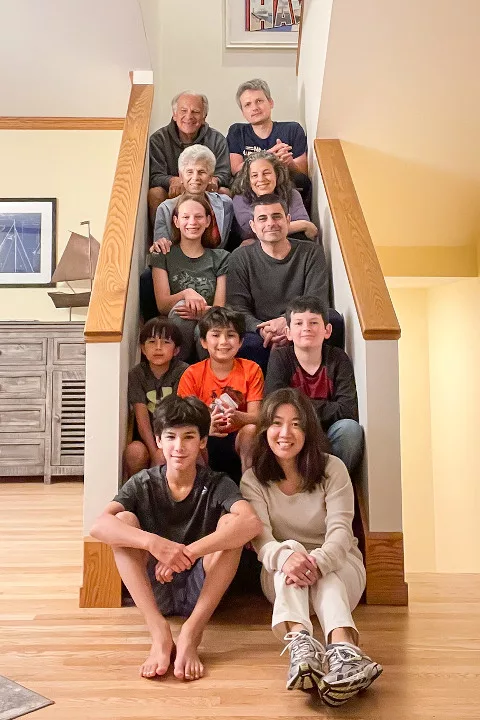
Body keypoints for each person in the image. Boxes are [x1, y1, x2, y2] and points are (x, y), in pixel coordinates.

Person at [91, 394, 261, 681]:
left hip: (201, 589)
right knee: (123, 522)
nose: (179, 447)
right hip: (153, 588)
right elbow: (99, 526)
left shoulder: (217, 483)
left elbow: (251, 523)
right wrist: (156, 545)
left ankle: (192, 633)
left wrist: (188, 553)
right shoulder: (143, 482)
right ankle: (159, 633)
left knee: (232, 525)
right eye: (170, 437)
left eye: (189, 437)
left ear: (203, 441)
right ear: (158, 441)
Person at [240, 389, 382, 706]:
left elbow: (341, 534)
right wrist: (289, 557)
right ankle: (303, 645)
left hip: (342, 567)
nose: (285, 433)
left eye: (296, 424)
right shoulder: (252, 480)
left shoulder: (333, 469)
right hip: (280, 575)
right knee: (289, 548)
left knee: (325, 573)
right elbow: (262, 540)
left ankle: (342, 649)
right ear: (265, 430)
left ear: (309, 430)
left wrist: (315, 563)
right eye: (276, 423)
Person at [226, 194, 328, 373]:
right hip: (259, 329)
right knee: (243, 342)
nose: (270, 223)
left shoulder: (311, 253)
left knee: (332, 318)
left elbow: (316, 300)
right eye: (262, 218)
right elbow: (237, 308)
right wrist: (263, 330)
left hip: (300, 324)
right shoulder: (240, 257)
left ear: (288, 220)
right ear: (253, 226)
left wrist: (287, 322)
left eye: (277, 216)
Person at [265, 296, 363, 474]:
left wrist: (300, 406)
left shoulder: (338, 358)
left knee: (350, 430)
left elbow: (348, 410)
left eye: (313, 323)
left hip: (329, 433)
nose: (306, 329)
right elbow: (274, 404)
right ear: (288, 332)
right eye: (299, 323)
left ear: (327, 330)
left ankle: (333, 483)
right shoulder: (280, 358)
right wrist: (326, 408)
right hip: (294, 431)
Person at [177, 307, 263, 482]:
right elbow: (184, 419)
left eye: (230, 335)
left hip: (238, 438)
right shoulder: (192, 373)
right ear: (203, 341)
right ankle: (202, 489)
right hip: (206, 439)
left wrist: (239, 418)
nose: (223, 341)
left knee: (251, 431)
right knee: (191, 435)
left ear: (240, 342)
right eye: (216, 335)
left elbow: (257, 416)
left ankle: (251, 487)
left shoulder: (251, 369)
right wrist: (207, 425)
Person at [148, 194, 229, 361]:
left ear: (207, 221)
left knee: (207, 327)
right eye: (186, 217)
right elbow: (163, 305)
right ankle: (179, 375)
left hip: (209, 322)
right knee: (180, 310)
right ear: (176, 222)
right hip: (177, 327)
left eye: (199, 217)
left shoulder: (221, 257)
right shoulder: (163, 254)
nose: (192, 222)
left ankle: (208, 377)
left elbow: (219, 307)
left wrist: (201, 312)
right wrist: (186, 293)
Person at [227, 78, 311, 212]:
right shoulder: (237, 131)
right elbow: (236, 169)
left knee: (301, 181)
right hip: (251, 190)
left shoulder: (292, 129)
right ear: (243, 112)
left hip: (285, 190)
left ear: (271, 103)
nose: (254, 108)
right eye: (247, 105)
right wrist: (269, 157)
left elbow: (303, 171)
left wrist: (290, 163)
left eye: (259, 101)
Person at [148, 91, 231, 224]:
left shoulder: (217, 139)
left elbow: (224, 174)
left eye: (195, 112)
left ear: (204, 116)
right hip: (174, 192)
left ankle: (220, 241)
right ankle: (161, 240)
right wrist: (173, 180)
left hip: (205, 189)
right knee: (155, 193)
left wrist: (213, 181)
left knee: (224, 192)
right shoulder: (158, 139)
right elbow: (155, 176)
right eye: (183, 111)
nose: (189, 116)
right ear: (175, 115)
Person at [125, 318, 189, 476]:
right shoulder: (137, 374)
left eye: (166, 342)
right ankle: (137, 495)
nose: (158, 348)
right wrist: (155, 451)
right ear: (143, 349)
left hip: (175, 435)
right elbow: (141, 417)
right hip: (147, 439)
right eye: (152, 342)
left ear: (176, 350)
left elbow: (179, 416)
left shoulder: (183, 371)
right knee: (134, 452)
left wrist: (166, 447)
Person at [153, 145, 234, 252]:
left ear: (210, 177)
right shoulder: (166, 209)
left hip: (216, 265)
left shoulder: (225, 203)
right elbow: (161, 249)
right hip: (178, 265)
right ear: (181, 177)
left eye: (202, 172)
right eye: (189, 172)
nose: (195, 178)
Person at [231, 151, 317, 243]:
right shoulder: (241, 198)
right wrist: (303, 225)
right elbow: (254, 231)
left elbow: (304, 226)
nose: (261, 179)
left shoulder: (292, 194)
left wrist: (302, 224)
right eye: (254, 175)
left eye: (266, 173)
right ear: (248, 179)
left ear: (277, 174)